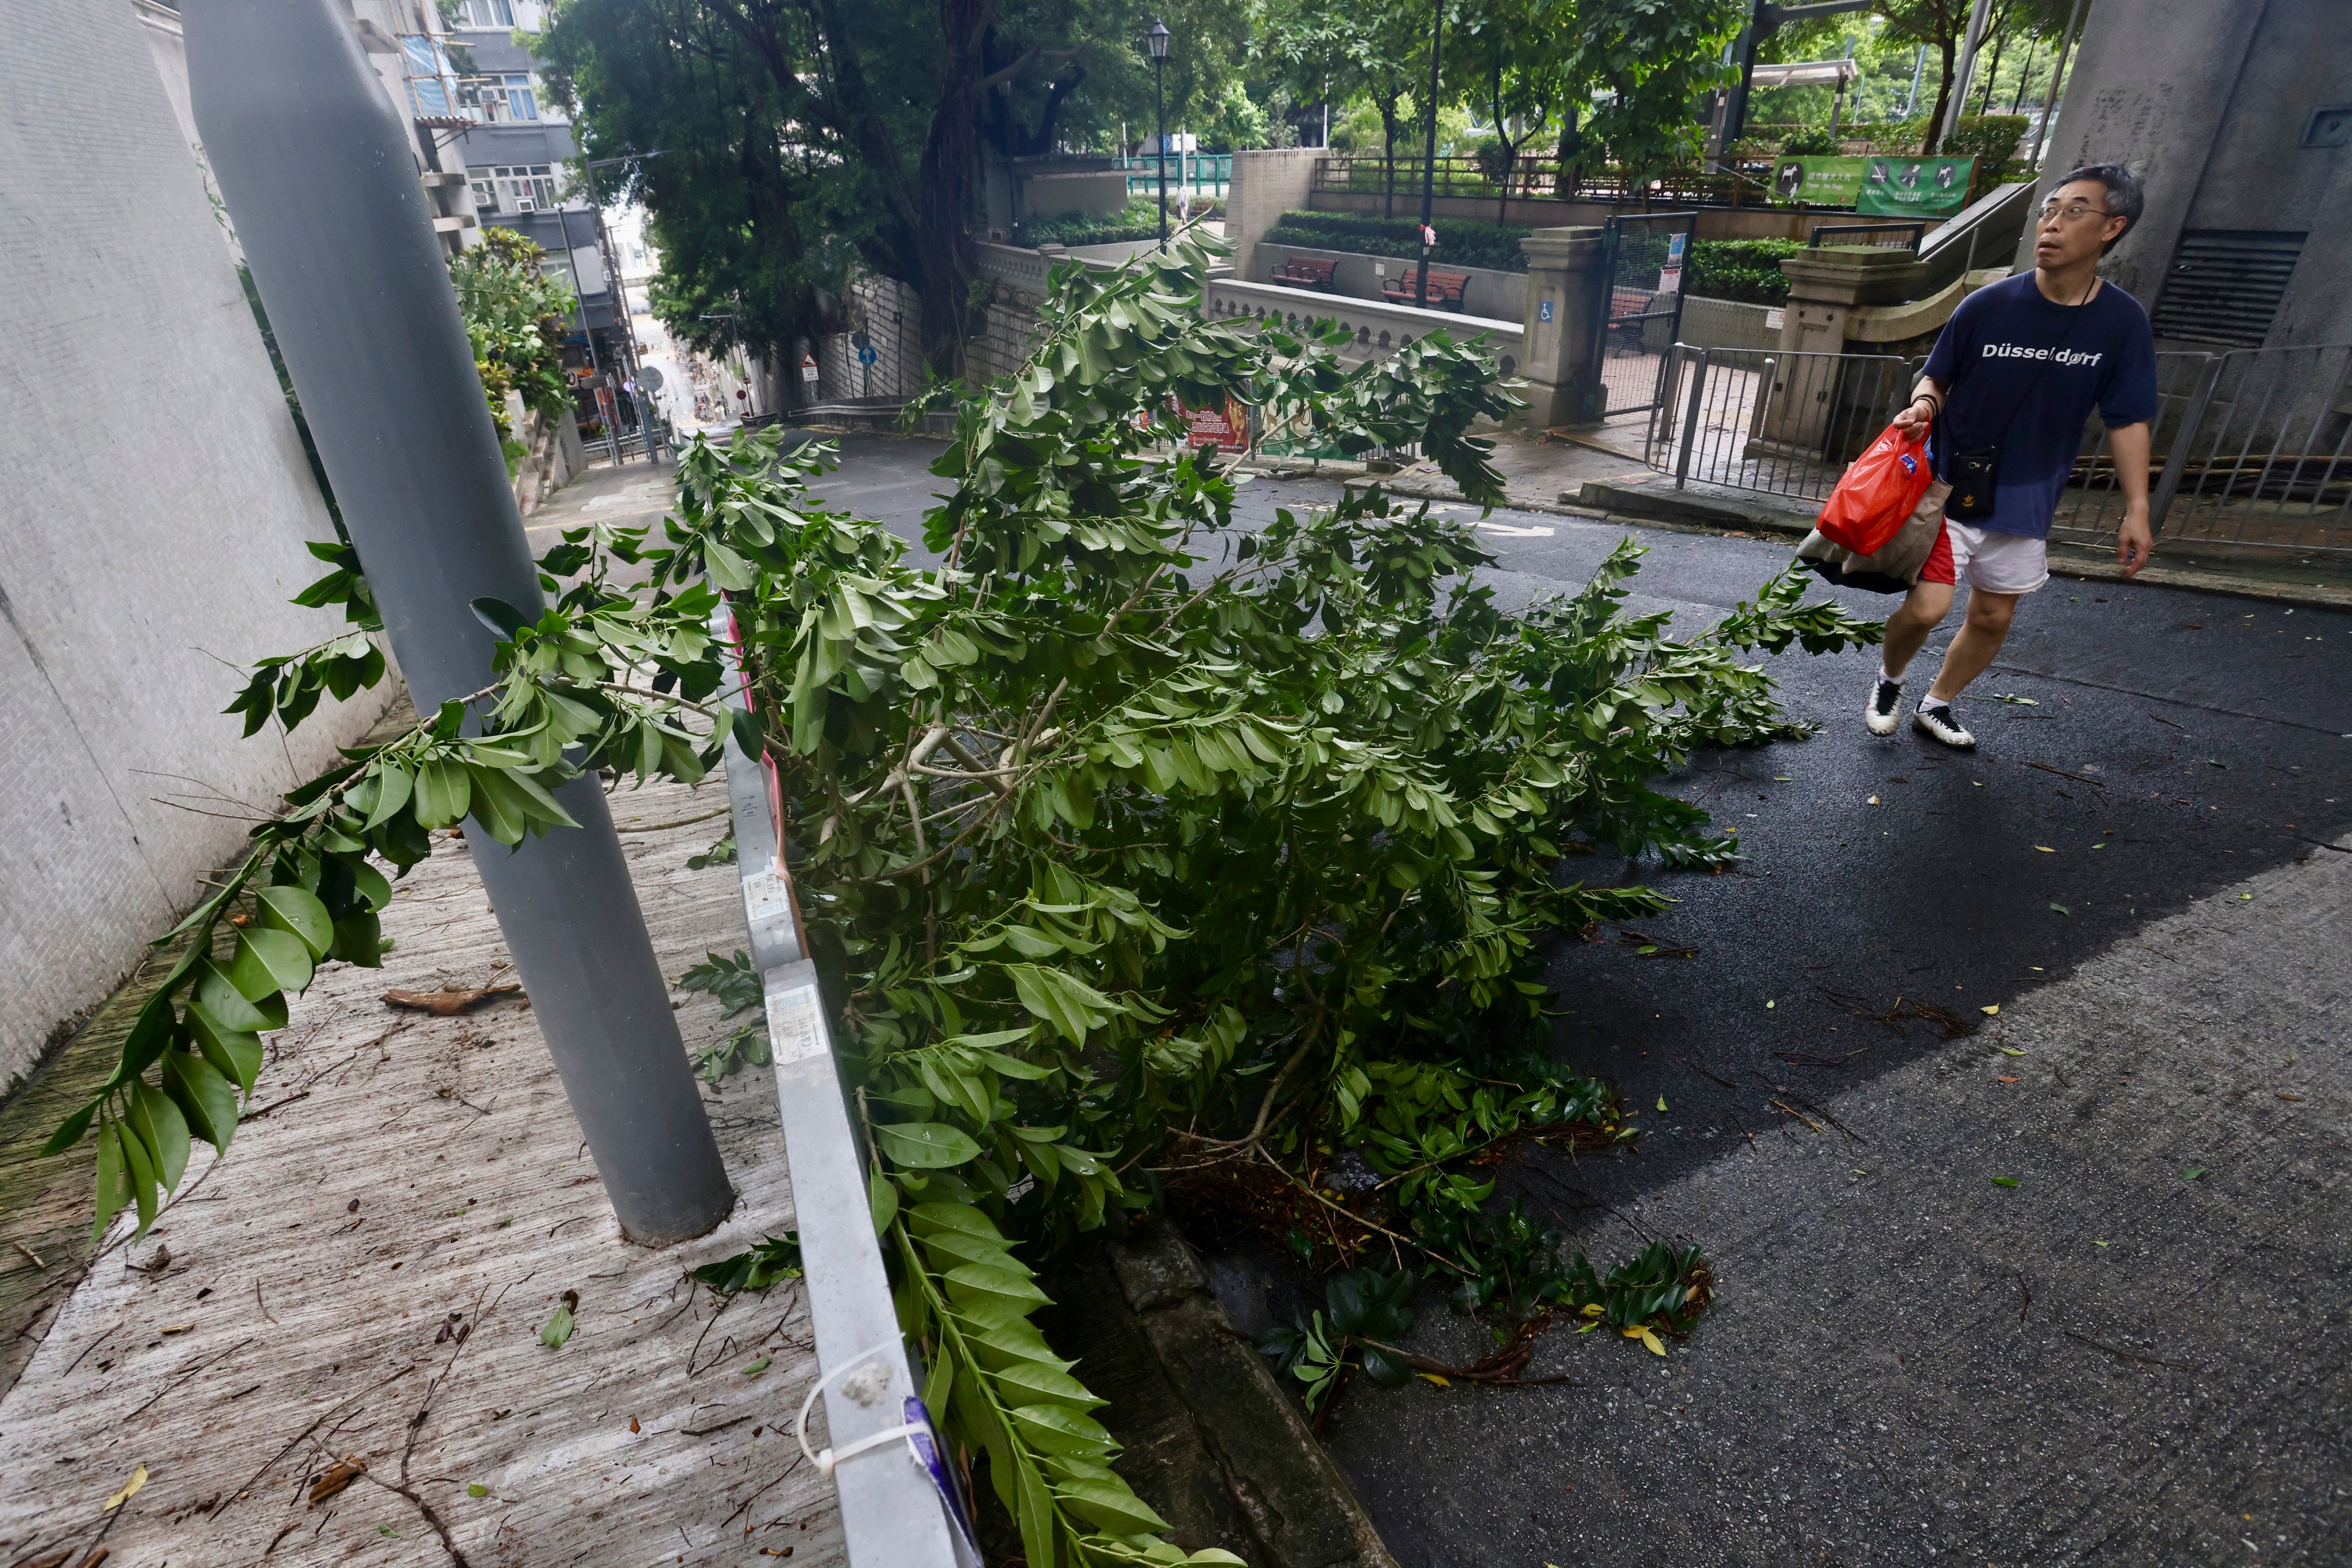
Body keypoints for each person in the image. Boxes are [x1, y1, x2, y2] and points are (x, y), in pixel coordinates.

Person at [1864, 164, 2160, 750]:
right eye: (2048, 211)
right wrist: (1923, 406)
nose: (2051, 224)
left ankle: (1937, 703)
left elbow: (2127, 418)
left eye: (2073, 211)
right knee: (1926, 609)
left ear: (2113, 227)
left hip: (2029, 494)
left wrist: (2138, 508)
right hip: (1952, 485)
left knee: (1994, 618)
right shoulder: (1988, 305)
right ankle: (1889, 680)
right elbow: (1936, 378)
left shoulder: (2122, 323)